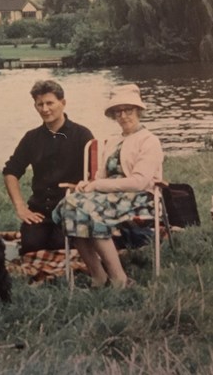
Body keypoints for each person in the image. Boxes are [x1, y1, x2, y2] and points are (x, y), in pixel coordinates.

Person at [52, 83, 164, 288]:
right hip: (107, 196)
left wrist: (98, 185)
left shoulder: (149, 141)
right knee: (70, 205)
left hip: (138, 197)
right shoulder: (112, 142)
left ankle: (119, 279)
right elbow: (99, 176)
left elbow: (139, 181)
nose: (123, 116)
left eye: (128, 110)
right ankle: (99, 275)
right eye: (117, 112)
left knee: (89, 210)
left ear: (138, 111)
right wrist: (88, 184)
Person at [3, 80, 93, 254]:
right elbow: (10, 171)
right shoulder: (31, 138)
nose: (45, 109)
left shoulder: (82, 135)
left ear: (63, 103)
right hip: (40, 211)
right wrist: (21, 207)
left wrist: (82, 188)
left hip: (71, 208)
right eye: (40, 104)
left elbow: (95, 175)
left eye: (50, 103)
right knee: (31, 246)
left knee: (59, 244)